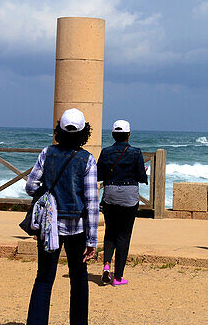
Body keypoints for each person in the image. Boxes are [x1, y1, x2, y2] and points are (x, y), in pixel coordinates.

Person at [25, 108, 99, 325]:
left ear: (59, 130)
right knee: (79, 277)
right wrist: (92, 240)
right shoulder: (87, 159)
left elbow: (30, 186)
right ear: (84, 132)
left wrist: (47, 196)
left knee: (44, 278)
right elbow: (92, 202)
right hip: (77, 227)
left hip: (49, 227)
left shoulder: (47, 153)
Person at [97, 119, 148, 286]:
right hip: (129, 197)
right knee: (124, 235)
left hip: (110, 194)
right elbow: (141, 177)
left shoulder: (105, 152)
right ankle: (118, 277)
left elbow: (98, 176)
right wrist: (143, 172)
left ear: (113, 134)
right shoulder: (136, 152)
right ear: (128, 135)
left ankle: (106, 266)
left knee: (110, 232)